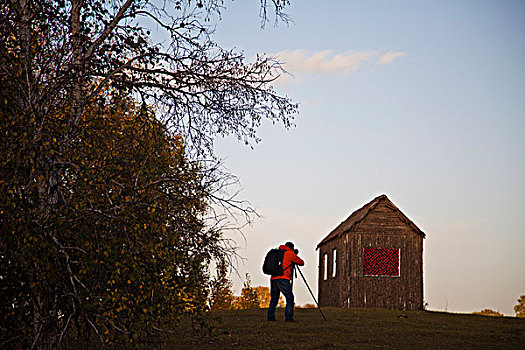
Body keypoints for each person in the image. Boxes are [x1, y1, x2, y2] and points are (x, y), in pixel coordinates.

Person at [267, 242, 304, 322]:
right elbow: (301, 262)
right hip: (283, 278)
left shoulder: (277, 252)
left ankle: (270, 317)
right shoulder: (289, 253)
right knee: (289, 298)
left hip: (273, 278)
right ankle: (289, 318)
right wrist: (295, 255)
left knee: (274, 299)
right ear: (291, 248)